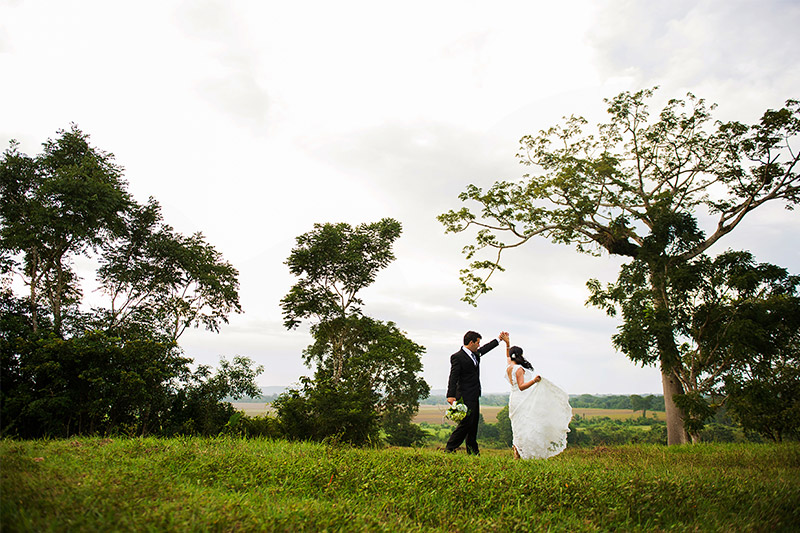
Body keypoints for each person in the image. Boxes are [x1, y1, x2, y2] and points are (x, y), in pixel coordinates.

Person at [504, 337, 572, 459]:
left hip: (514, 399)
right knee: (525, 424)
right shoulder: (518, 369)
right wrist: (534, 381)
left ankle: (517, 450)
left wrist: (507, 344)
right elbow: (521, 386)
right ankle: (519, 450)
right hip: (522, 398)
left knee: (517, 425)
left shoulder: (510, 366)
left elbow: (508, 357)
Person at [445, 330, 506, 455]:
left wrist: (498, 340)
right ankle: (450, 448)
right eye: (477, 343)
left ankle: (473, 452)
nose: (479, 345)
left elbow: (485, 349)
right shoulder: (457, 357)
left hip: (474, 394)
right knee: (466, 423)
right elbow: (453, 377)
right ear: (471, 342)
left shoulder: (475, 354)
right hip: (464, 395)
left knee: (473, 425)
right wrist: (450, 395)